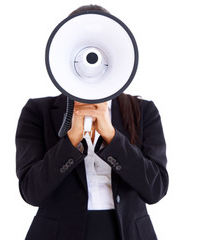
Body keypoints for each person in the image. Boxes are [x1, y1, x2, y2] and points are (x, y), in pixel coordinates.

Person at [15, 5, 169, 240]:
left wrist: (112, 138)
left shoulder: (144, 111)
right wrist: (70, 141)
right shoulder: (38, 111)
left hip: (127, 232)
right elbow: (31, 192)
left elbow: (155, 189)